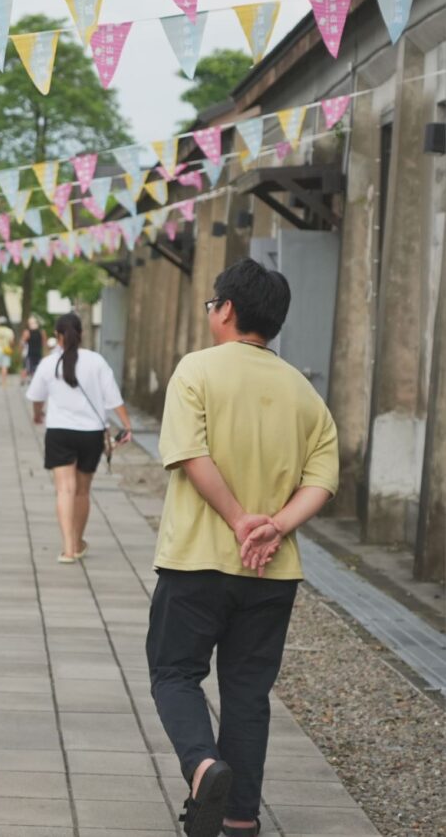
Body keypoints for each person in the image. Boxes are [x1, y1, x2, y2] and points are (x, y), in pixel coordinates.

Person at [147, 259, 338, 837]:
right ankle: (240, 818)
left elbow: (189, 453)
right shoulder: (304, 392)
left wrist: (237, 520)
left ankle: (203, 768)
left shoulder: (196, 370)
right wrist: (275, 527)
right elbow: (322, 480)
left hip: (196, 561)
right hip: (271, 572)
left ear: (226, 308)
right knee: (249, 693)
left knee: (174, 673)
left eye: (213, 302)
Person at [27, 313, 132, 564]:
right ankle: (77, 541)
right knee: (82, 492)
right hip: (91, 434)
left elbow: (36, 397)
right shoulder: (96, 361)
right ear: (81, 334)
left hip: (59, 432)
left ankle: (68, 550)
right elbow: (113, 399)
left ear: (57, 336)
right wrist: (127, 426)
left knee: (65, 490)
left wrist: (38, 415)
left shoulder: (48, 364)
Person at [21, 315, 45, 384]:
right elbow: (44, 343)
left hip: (30, 353)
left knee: (27, 367)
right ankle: (30, 379)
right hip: (36, 352)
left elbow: (22, 343)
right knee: (33, 367)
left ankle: (24, 380)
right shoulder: (41, 332)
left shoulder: (27, 332)